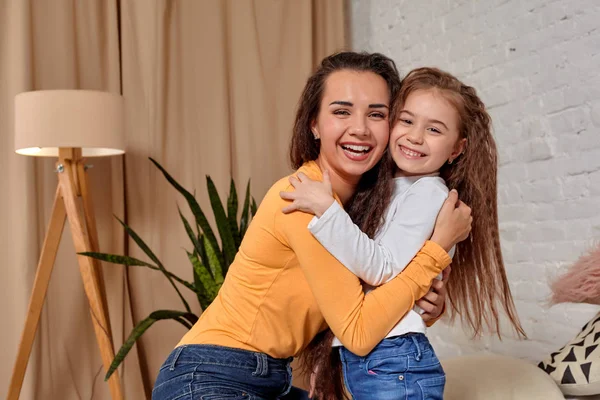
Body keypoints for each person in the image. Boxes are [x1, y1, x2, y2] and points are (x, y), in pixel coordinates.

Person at [152, 52, 472, 400]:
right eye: (341, 111)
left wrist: (424, 307)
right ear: (314, 124)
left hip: (269, 381)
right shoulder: (303, 202)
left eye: (376, 114)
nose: (360, 128)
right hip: (211, 375)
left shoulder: (358, 215)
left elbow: (369, 298)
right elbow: (361, 331)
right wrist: (436, 250)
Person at [282, 67, 527, 399]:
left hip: (392, 360)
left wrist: (326, 209)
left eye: (434, 129)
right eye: (407, 121)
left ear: (456, 149)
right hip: (375, 357)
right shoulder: (392, 187)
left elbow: (382, 268)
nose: (415, 136)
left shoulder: (428, 194)